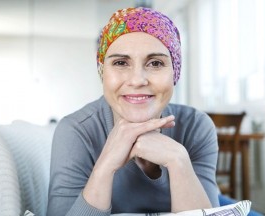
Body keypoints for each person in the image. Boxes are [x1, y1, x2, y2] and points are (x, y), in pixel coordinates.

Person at [47, 7, 219, 216]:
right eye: (120, 63)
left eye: (155, 63)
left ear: (175, 72)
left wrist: (178, 159)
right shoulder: (76, 131)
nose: (137, 80)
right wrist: (105, 166)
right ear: (103, 72)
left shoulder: (196, 126)